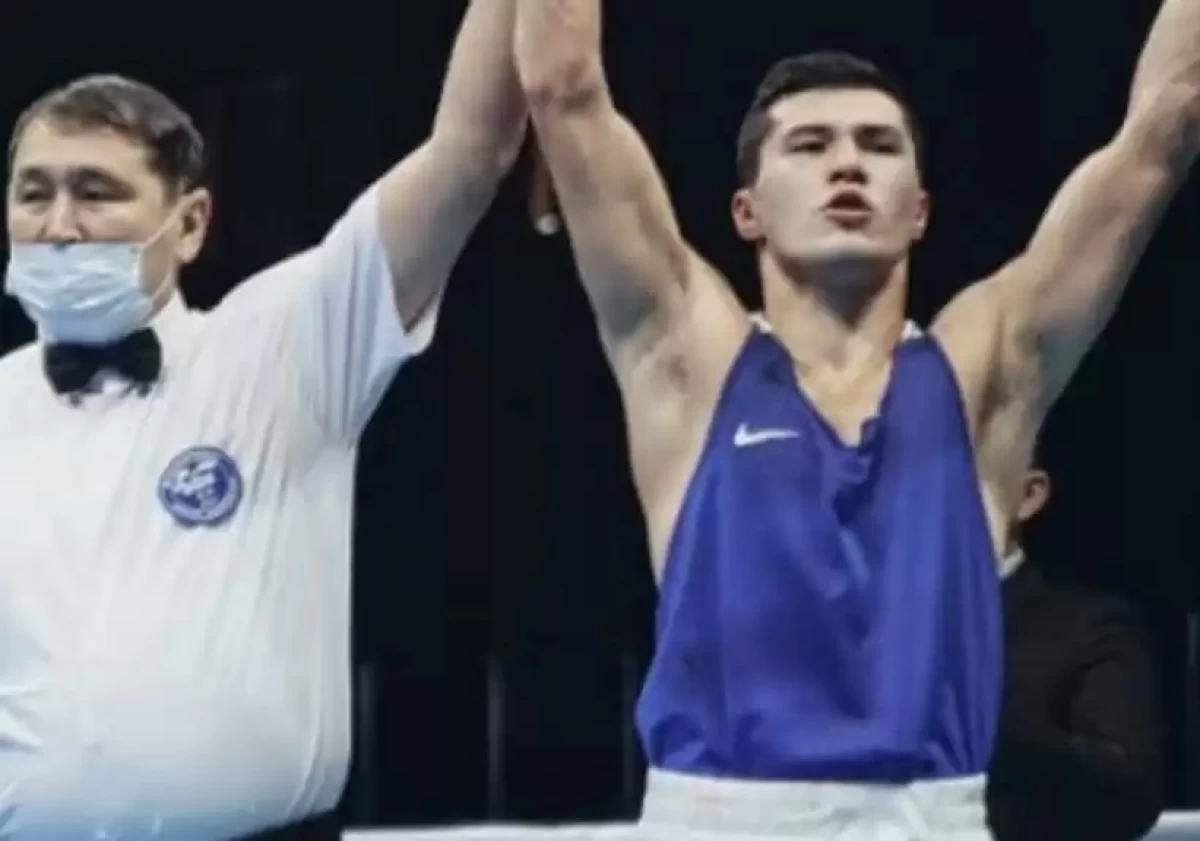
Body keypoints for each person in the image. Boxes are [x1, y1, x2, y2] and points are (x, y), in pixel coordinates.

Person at [515, 0, 1199, 836]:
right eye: (810, 146)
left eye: (879, 146)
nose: (847, 165)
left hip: (930, 814)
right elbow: (561, 85)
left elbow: (1166, 125)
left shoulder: (986, 372)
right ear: (746, 210)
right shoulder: (688, 363)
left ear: (920, 207)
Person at [0, 1, 525, 838]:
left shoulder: (283, 347)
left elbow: (470, 152)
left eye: (96, 192)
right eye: (35, 193)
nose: (59, 226)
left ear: (190, 223)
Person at [987, 462, 1164, 841]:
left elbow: (1126, 793)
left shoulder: (1090, 629)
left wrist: (978, 726)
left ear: (1027, 495)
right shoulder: (864, 629)